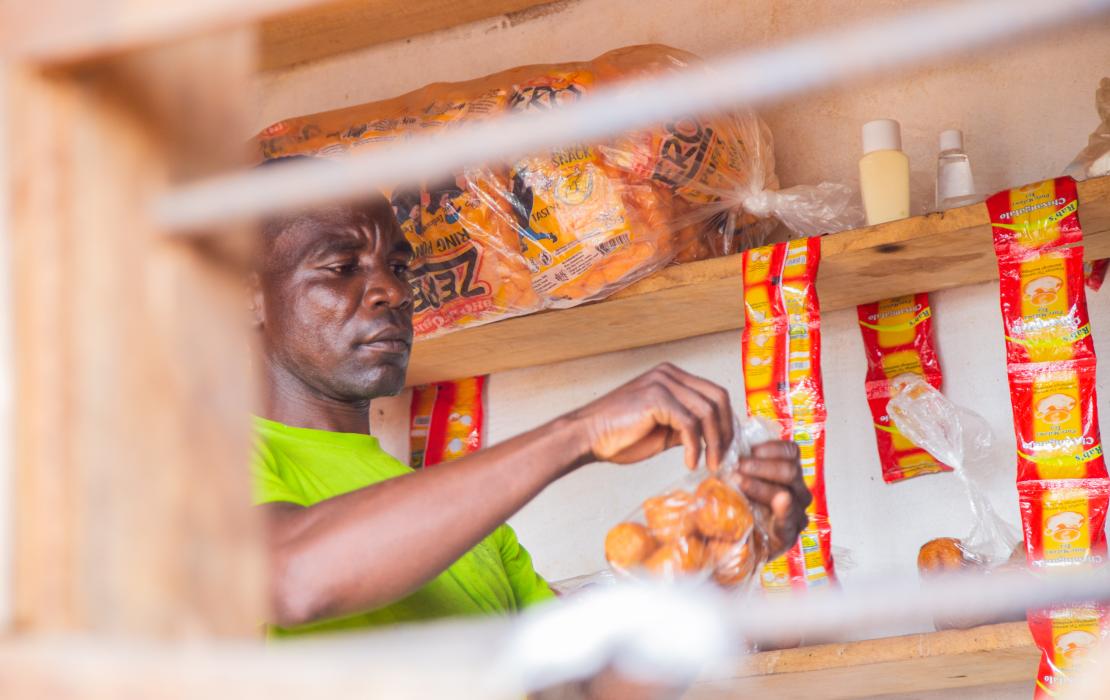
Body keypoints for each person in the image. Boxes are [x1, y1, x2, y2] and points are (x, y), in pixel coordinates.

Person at [248, 190, 812, 635]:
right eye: (343, 266)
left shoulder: (455, 516)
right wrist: (580, 431)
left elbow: (582, 683)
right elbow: (292, 579)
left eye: (398, 266)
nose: (393, 292)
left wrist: (723, 548)